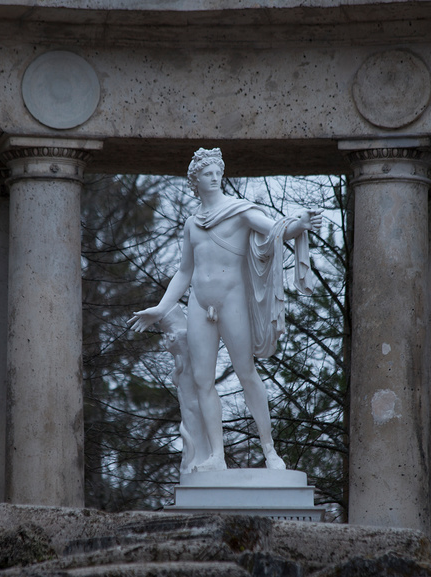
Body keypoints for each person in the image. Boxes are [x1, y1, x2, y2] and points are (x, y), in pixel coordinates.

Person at [129, 148, 320, 472]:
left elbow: (275, 231)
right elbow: (185, 271)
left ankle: (270, 451)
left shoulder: (240, 212)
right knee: (203, 380)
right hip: (200, 304)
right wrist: (162, 308)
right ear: (196, 180)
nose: (214, 176)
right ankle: (216, 455)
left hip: (232, 301)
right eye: (207, 172)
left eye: (218, 170)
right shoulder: (192, 223)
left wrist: (298, 224)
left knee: (246, 373)